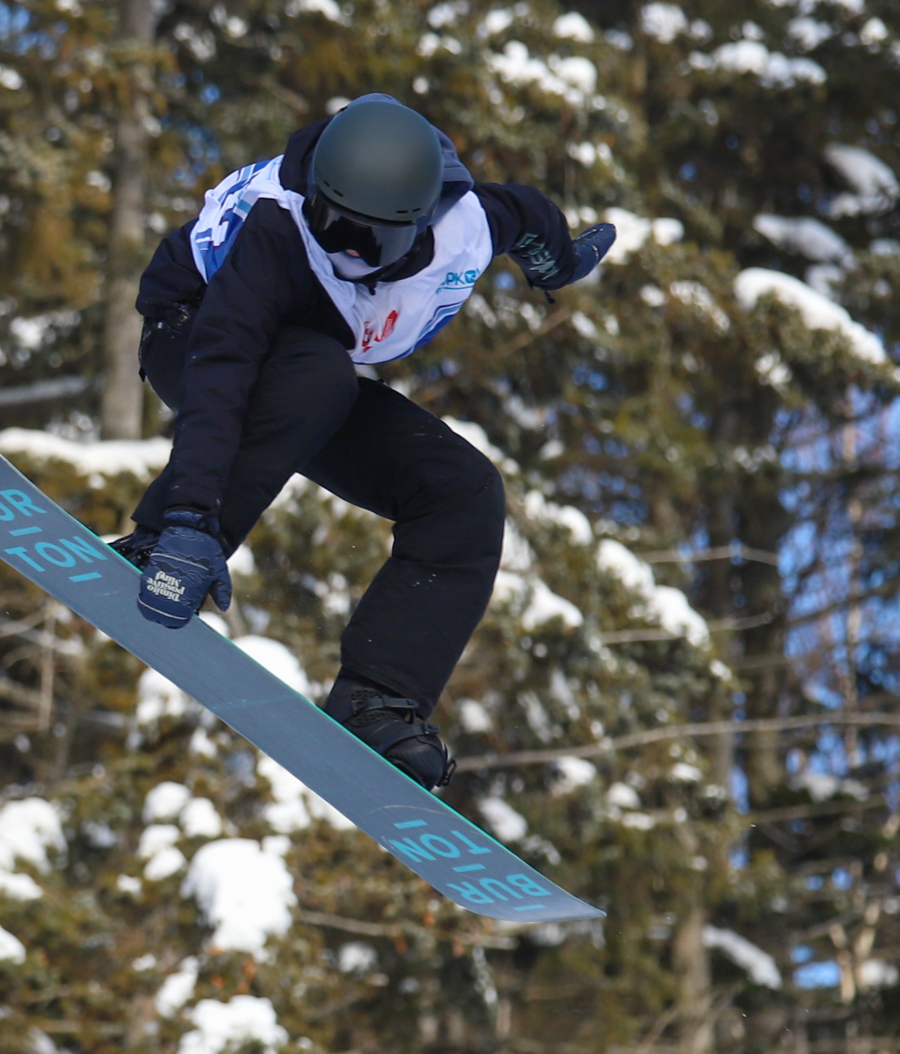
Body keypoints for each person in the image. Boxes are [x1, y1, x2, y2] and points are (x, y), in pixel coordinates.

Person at [112, 94, 614, 790]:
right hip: (195, 334)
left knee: (461, 490)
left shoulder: (467, 227)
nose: (348, 249)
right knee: (319, 375)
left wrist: (556, 263)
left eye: (372, 240)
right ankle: (155, 548)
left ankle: (377, 701)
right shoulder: (278, 228)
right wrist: (189, 521)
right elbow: (223, 368)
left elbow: (526, 215)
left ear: (421, 222)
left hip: (305, 381)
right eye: (334, 225)